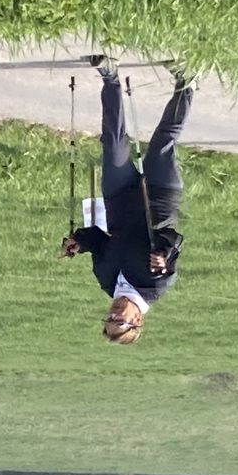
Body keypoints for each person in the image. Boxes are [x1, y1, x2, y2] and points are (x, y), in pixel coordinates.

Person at [61, 55, 193, 344]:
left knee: (113, 143)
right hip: (157, 197)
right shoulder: (155, 283)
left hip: (118, 199)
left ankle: (110, 76)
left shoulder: (107, 280)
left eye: (109, 319)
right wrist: (163, 253)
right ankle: (186, 83)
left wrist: (80, 243)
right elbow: (174, 239)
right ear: (137, 321)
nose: (113, 314)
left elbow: (100, 240)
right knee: (162, 143)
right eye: (119, 321)